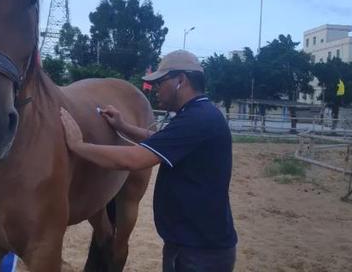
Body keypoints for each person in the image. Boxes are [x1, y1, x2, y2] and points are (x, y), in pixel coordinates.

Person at [60, 49, 238, 272]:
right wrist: (123, 127)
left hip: (199, 250)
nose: (155, 90)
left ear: (180, 81)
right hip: (192, 240)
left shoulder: (197, 120)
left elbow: (135, 159)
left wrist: (79, 146)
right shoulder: (198, 114)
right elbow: (163, 141)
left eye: (160, 82)